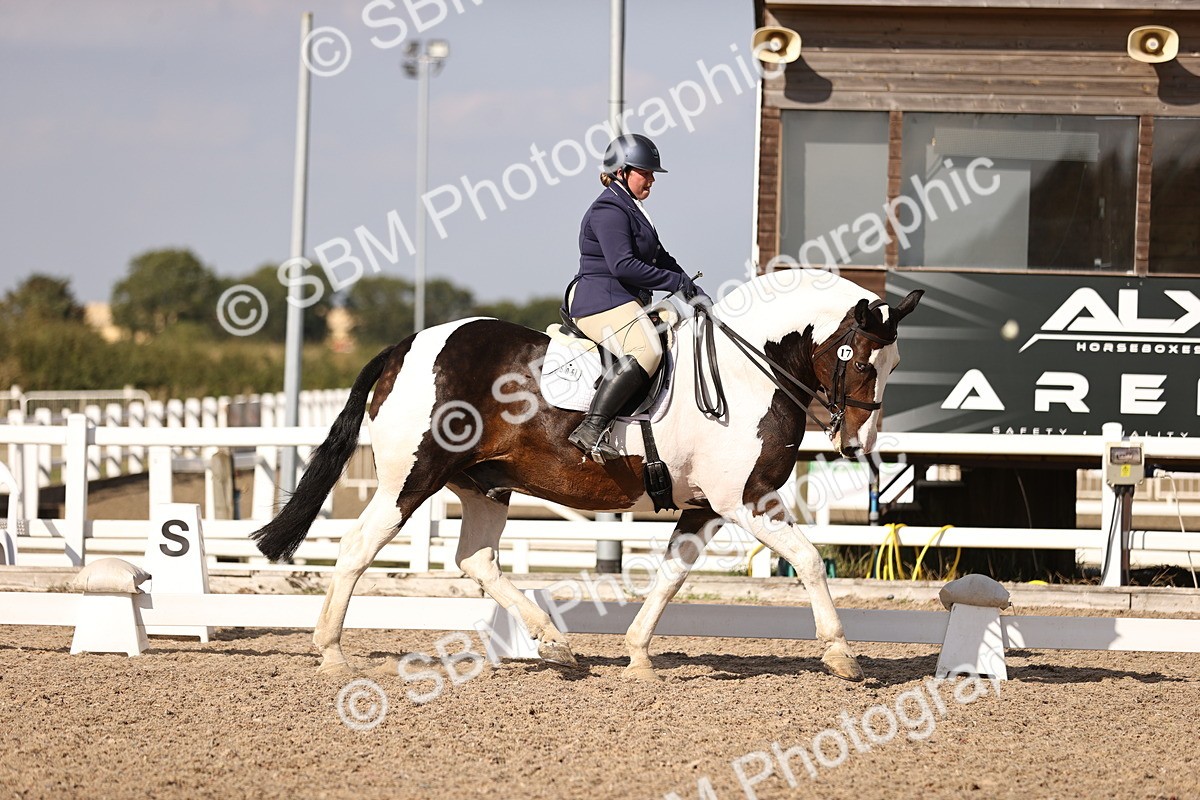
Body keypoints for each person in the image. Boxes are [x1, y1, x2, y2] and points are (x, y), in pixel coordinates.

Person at [564, 133, 706, 462]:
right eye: (646, 171)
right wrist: (675, 282)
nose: (652, 179)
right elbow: (623, 265)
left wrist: (691, 289)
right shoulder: (609, 210)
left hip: (625, 301)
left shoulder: (633, 210)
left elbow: (661, 257)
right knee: (647, 347)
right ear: (622, 171)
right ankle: (592, 428)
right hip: (600, 302)